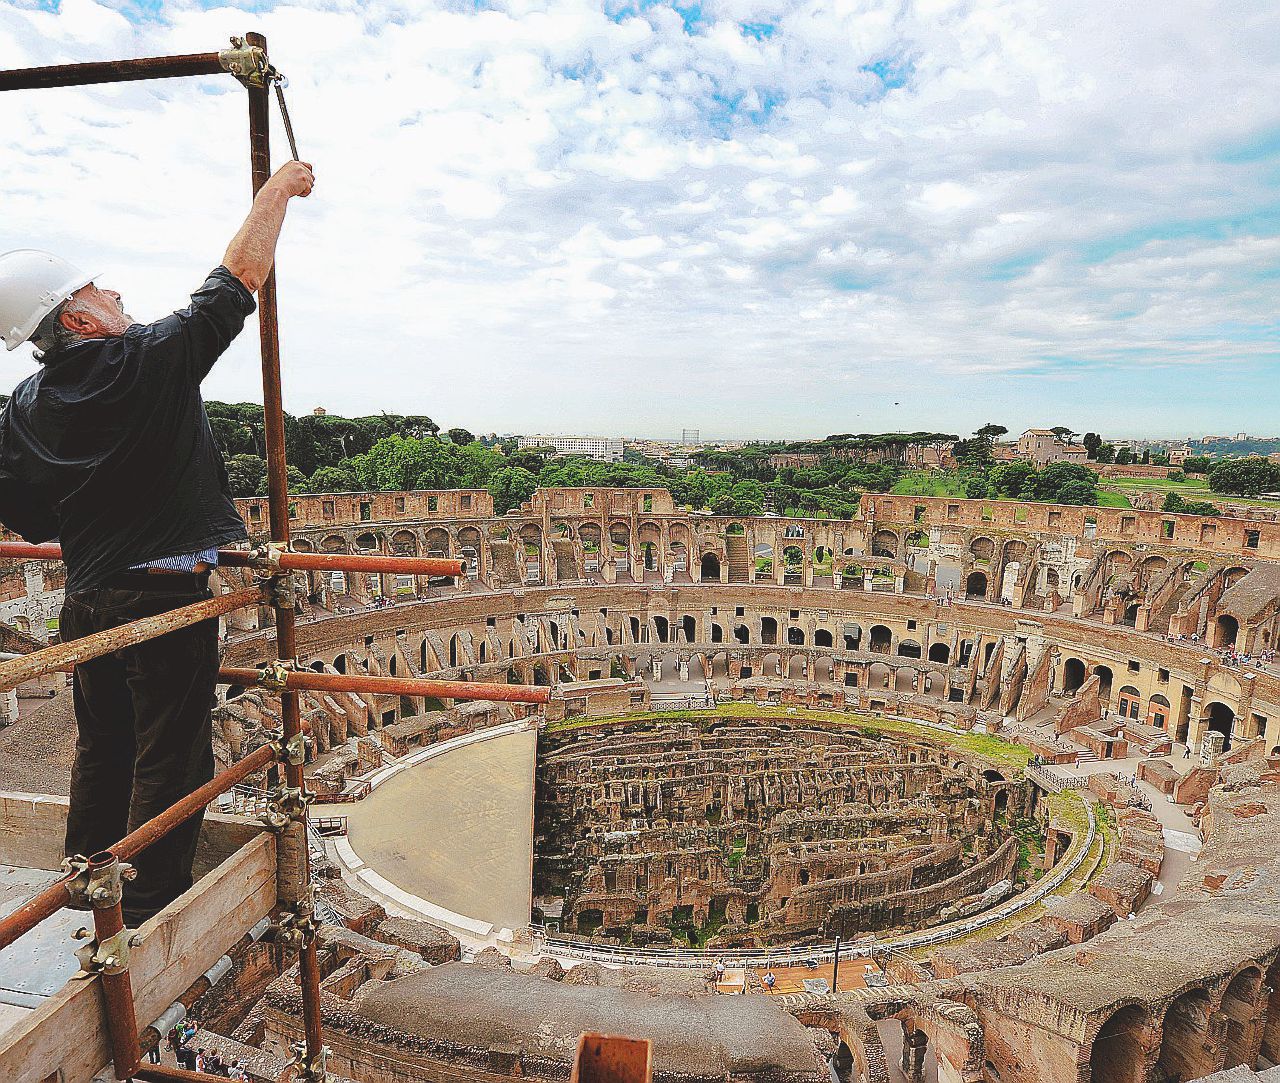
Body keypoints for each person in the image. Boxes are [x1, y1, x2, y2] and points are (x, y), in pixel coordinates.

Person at [0, 160, 315, 926]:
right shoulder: (143, 362)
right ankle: (144, 909)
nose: (115, 295)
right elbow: (234, 280)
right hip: (162, 588)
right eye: (99, 291)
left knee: (102, 746)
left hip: (88, 594)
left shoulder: (26, 405)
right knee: (171, 757)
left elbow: (30, 518)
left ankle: (88, 881)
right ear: (76, 319)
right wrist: (278, 191)